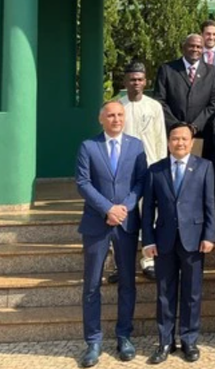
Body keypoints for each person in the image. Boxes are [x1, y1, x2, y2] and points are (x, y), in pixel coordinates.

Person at [74, 101, 147, 368]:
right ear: (101, 119)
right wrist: (107, 209)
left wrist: (124, 208)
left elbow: (141, 181)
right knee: (92, 284)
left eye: (119, 115)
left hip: (126, 223)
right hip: (97, 223)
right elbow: (82, 182)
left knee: (127, 281)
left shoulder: (136, 145)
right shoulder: (88, 146)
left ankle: (124, 336)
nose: (116, 119)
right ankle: (93, 341)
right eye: (110, 115)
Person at [141, 122, 215, 364]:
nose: (180, 143)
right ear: (168, 141)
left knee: (192, 293)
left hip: (194, 241)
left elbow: (210, 205)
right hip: (163, 241)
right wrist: (148, 240)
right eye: (175, 139)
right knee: (164, 293)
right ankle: (165, 341)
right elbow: (147, 211)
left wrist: (209, 235)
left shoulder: (205, 167)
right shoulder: (155, 170)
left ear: (191, 142)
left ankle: (189, 340)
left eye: (184, 139)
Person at [117, 61, 167, 282]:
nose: (136, 83)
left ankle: (148, 260)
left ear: (145, 81)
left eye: (140, 79)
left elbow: (160, 138)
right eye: (132, 79)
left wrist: (162, 168)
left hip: (150, 168)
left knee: (149, 214)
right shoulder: (118, 106)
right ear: (125, 81)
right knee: (124, 215)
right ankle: (122, 264)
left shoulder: (154, 107)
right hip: (124, 171)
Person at [153, 34, 215, 161]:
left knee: (196, 173)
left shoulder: (213, 72)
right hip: (173, 133)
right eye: (191, 46)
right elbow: (159, 100)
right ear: (183, 47)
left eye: (199, 47)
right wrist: (176, 126)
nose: (195, 49)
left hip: (201, 134)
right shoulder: (167, 69)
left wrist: (194, 126)